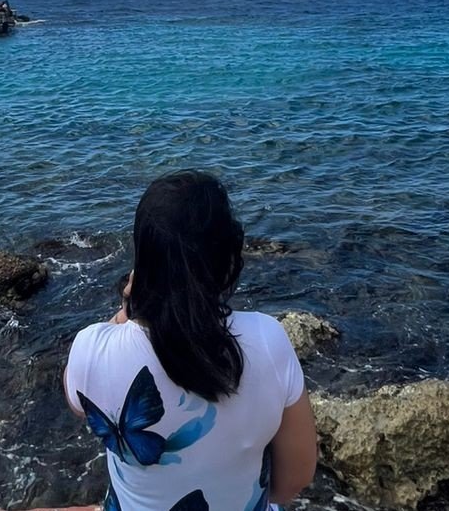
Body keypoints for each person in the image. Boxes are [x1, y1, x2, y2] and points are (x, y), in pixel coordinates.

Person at [63, 171, 317, 511]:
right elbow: (296, 477)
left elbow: (77, 404)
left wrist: (126, 310)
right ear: (228, 258)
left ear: (144, 258)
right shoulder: (268, 340)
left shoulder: (92, 350)